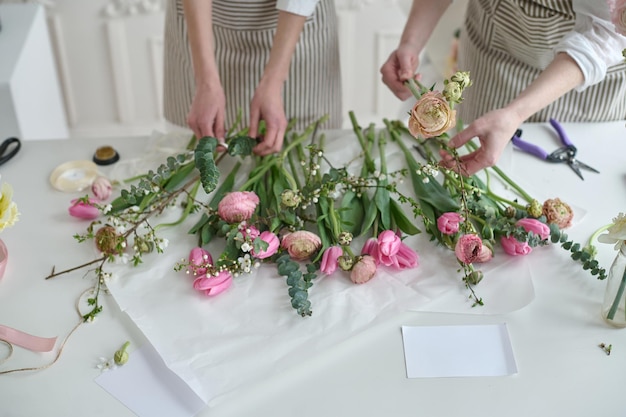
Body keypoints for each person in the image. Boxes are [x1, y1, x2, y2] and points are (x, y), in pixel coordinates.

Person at [381, 0, 626, 175]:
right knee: (480, 170)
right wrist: (411, 43)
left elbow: (603, 37)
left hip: (587, 81)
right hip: (496, 55)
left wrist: (515, 113)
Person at [163, 0, 342, 156]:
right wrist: (205, 81)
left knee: (304, 154)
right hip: (200, 22)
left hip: (298, 23)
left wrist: (274, 81)